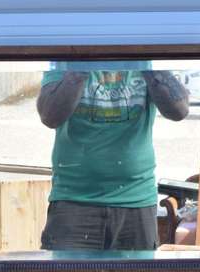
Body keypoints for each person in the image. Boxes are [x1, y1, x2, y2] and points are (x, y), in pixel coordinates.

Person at [37, 61, 189, 251]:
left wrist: (144, 61)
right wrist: (83, 62)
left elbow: (179, 111)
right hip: (74, 200)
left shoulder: (145, 60)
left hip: (136, 200)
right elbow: (50, 116)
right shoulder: (68, 58)